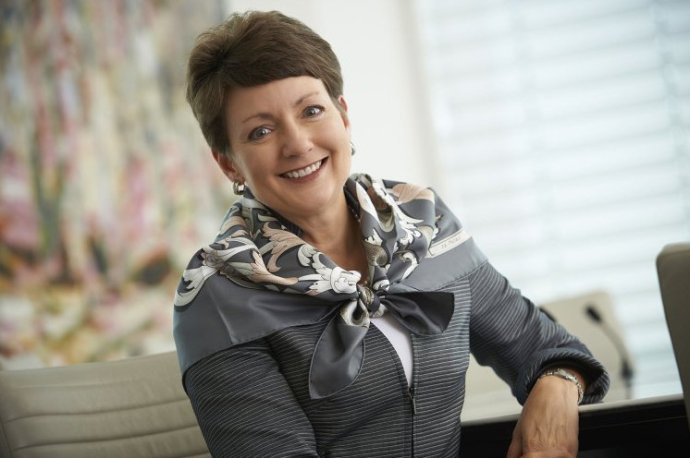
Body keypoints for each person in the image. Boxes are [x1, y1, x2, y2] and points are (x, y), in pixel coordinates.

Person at [173, 9, 610, 457]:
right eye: (261, 131)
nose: (298, 143)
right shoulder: (216, 295)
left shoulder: (423, 222)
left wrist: (556, 387)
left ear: (343, 116)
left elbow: (547, 348)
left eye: (312, 111)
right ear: (228, 162)